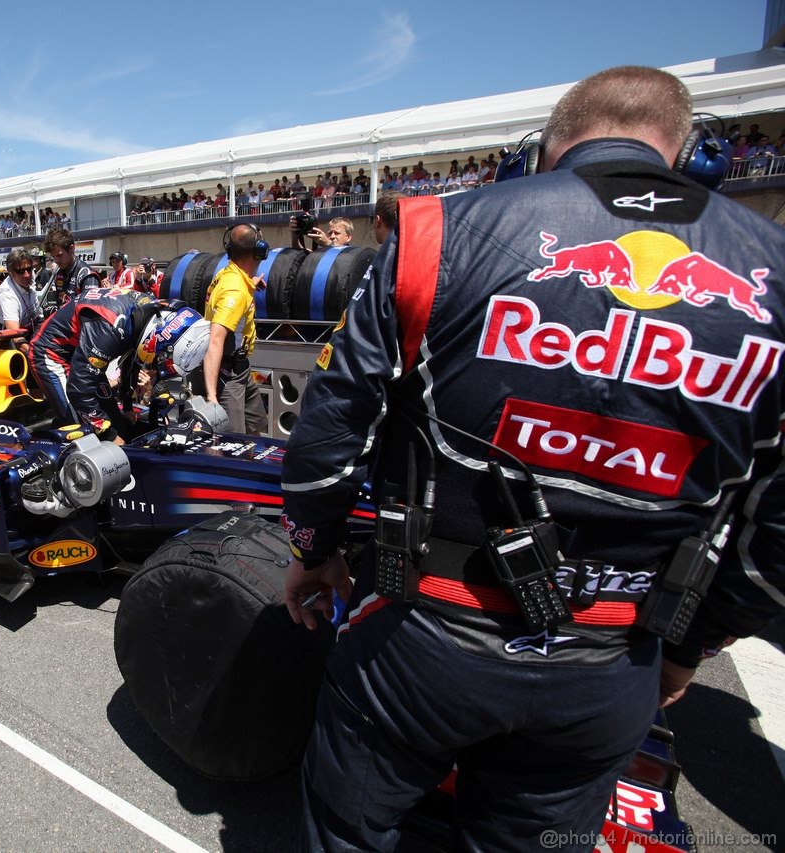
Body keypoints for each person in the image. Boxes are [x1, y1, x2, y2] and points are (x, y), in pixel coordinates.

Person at [279, 66, 785, 852]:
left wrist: (313, 550)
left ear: (542, 149)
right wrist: (688, 646)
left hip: (425, 637)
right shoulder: (774, 270)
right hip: (612, 660)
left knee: (347, 829)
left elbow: (331, 431)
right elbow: (776, 530)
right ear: (691, 152)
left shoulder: (436, 232)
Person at [31, 287, 209, 445]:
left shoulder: (150, 313)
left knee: (117, 422)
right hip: (53, 353)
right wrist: (109, 437)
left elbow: (131, 360)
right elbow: (79, 388)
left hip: (85, 351)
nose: (157, 362)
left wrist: (128, 407)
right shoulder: (111, 328)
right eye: (161, 357)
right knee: (86, 430)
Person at [194, 223, 268, 435]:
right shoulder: (235, 290)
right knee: (233, 441)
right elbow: (215, 340)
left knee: (256, 424)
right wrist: (212, 397)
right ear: (259, 250)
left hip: (241, 368)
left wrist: (251, 284)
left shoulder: (231, 275)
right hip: (228, 374)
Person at [0, 248, 44, 356]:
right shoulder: (8, 295)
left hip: (26, 332)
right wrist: (36, 357)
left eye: (29, 269)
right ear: (10, 273)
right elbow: (16, 337)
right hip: (4, 343)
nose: (27, 275)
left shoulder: (29, 283)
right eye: (20, 271)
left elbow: (39, 319)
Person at [44, 226, 97, 305]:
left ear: (71, 248)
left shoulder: (86, 275)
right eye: (53, 257)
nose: (56, 261)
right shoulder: (59, 272)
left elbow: (91, 312)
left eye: (59, 255)